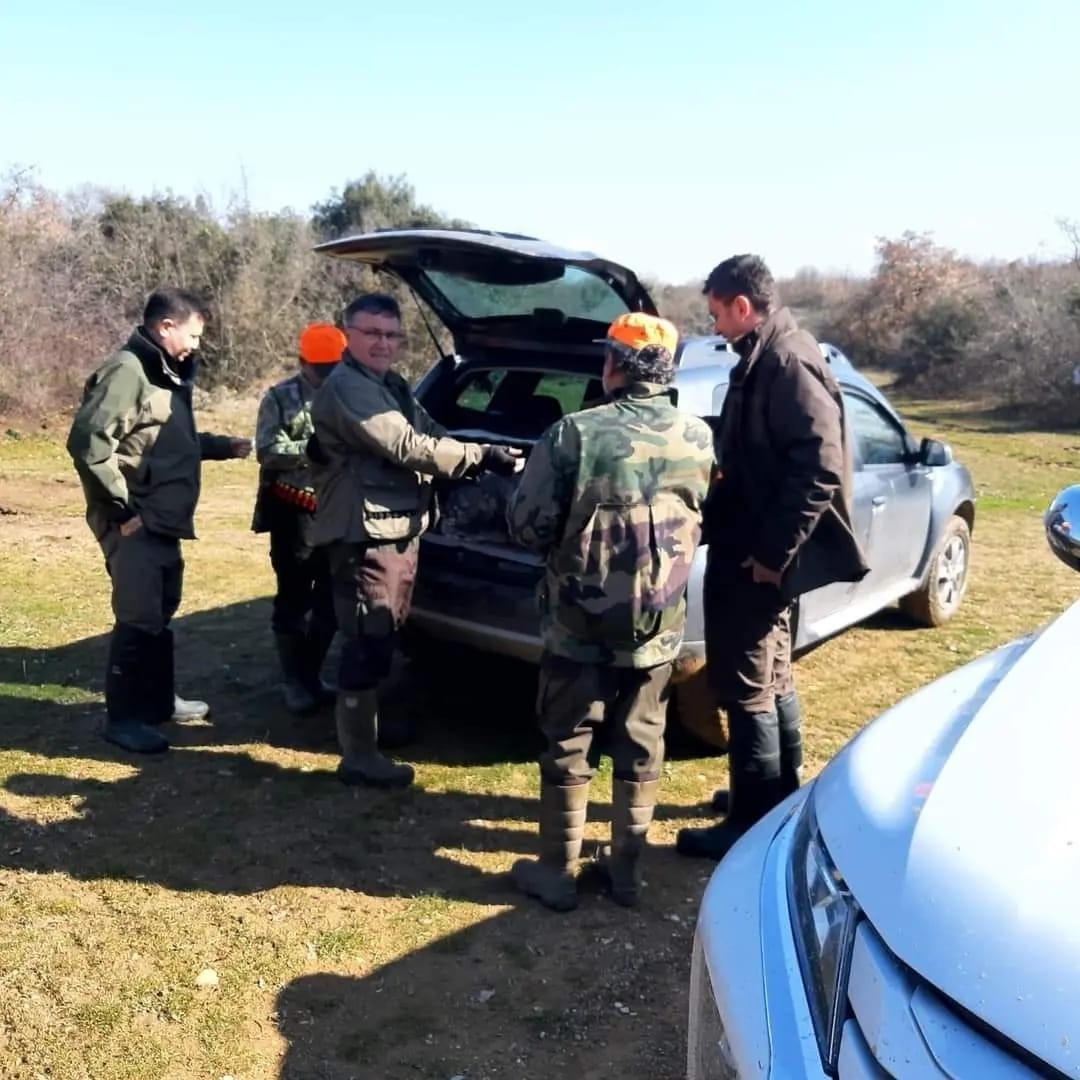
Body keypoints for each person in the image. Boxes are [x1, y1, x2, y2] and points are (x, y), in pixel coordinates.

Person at [506, 313, 714, 911]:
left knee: (570, 740)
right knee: (642, 737)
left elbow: (528, 526)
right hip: (658, 623)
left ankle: (557, 872)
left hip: (579, 622)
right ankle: (627, 874)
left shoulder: (573, 434)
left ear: (613, 365)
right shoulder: (699, 436)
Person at [676, 255, 869, 862]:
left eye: (716, 313)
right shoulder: (767, 354)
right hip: (752, 543)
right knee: (773, 674)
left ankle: (752, 820)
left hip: (760, 554)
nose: (714, 325)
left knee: (747, 682)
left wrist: (771, 554)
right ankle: (773, 795)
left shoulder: (786, 360)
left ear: (742, 305)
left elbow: (818, 467)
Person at [309, 293, 519, 789]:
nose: (383, 343)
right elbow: (406, 446)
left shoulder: (390, 384)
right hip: (365, 533)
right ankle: (358, 755)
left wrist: (479, 449)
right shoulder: (348, 389)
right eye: (372, 333)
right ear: (350, 336)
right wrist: (480, 457)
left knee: (388, 629)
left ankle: (378, 730)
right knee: (366, 637)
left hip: (398, 527)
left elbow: (431, 430)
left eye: (391, 334)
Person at [66, 288, 253, 754]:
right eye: (192, 334)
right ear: (164, 326)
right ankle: (123, 719)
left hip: (164, 522)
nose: (196, 345)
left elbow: (166, 439)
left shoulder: (165, 374)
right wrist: (122, 511)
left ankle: (158, 703)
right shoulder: (127, 371)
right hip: (136, 520)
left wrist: (220, 446)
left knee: (160, 612)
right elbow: (88, 443)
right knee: (137, 617)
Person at [252, 323, 345, 715]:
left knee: (332, 601)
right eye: (319, 369)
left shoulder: (351, 394)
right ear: (302, 362)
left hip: (339, 512)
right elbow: (267, 448)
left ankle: (311, 675)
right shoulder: (279, 397)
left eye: (333, 368)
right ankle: (294, 681)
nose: (325, 376)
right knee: (294, 598)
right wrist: (313, 450)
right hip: (294, 512)